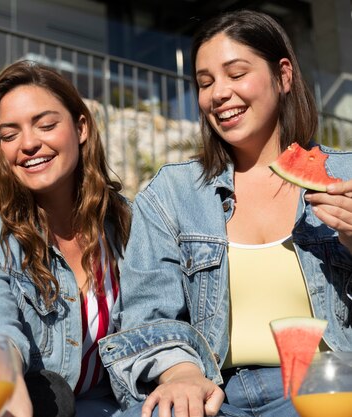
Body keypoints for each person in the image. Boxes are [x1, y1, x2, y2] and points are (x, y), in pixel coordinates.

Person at [100, 9, 352, 417]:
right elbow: (148, 313)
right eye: (205, 82)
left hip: (328, 389)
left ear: (283, 76)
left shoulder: (346, 177)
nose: (218, 93)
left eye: (236, 74)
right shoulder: (173, 193)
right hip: (216, 394)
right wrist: (180, 373)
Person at [0, 60, 131, 417]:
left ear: (81, 127)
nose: (28, 144)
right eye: (9, 135)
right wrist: (1, 371)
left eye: (45, 125)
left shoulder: (125, 221)